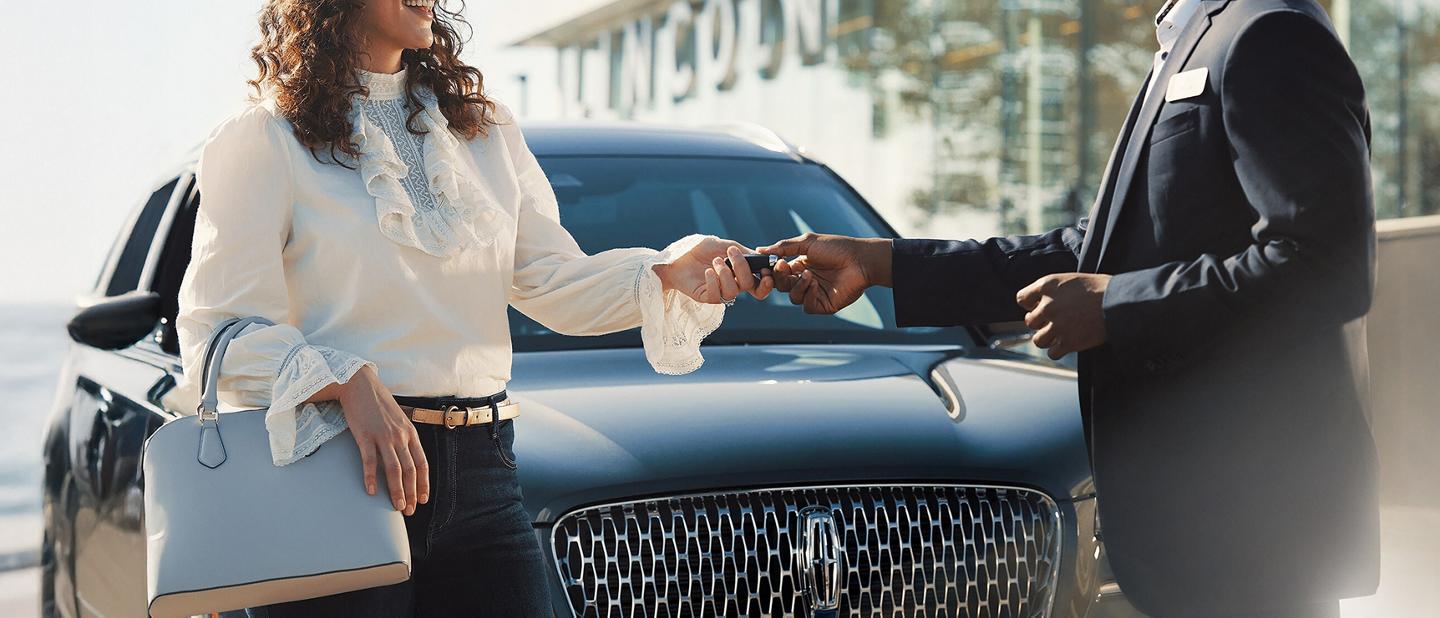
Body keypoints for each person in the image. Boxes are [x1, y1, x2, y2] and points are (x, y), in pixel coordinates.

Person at [760, 0, 1379, 615]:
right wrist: (881, 265)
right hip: (1187, 531)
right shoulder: (1193, 37)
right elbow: (1089, 250)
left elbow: (1327, 263)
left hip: (1252, 530)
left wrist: (1116, 306)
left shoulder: (1270, 31)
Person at [178, 0, 773, 615]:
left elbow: (548, 279)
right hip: (339, 471)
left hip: (485, 472)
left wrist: (668, 273)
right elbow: (216, 334)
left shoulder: (481, 129)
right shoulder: (266, 137)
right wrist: (344, 379)